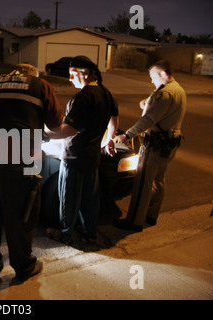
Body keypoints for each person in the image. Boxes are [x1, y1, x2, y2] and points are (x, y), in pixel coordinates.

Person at [0, 63, 64, 281]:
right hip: (23, 162)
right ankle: (23, 267)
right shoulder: (40, 86)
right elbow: (56, 124)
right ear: (31, 75)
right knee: (22, 216)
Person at [45, 56, 119, 245]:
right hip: (93, 156)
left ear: (84, 73)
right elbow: (113, 120)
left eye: (72, 74)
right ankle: (90, 233)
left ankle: (65, 233)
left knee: (68, 197)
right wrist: (109, 140)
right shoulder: (105, 92)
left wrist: (44, 135)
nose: (70, 79)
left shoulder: (82, 98)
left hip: (74, 157)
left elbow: (69, 130)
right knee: (89, 198)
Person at [113, 60, 186, 231]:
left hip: (155, 144)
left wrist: (126, 135)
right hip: (170, 143)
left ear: (164, 74)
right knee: (158, 181)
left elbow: (149, 120)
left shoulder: (165, 93)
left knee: (143, 183)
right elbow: (162, 111)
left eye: (153, 77)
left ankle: (134, 221)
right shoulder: (179, 90)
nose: (151, 81)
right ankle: (151, 215)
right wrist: (148, 103)